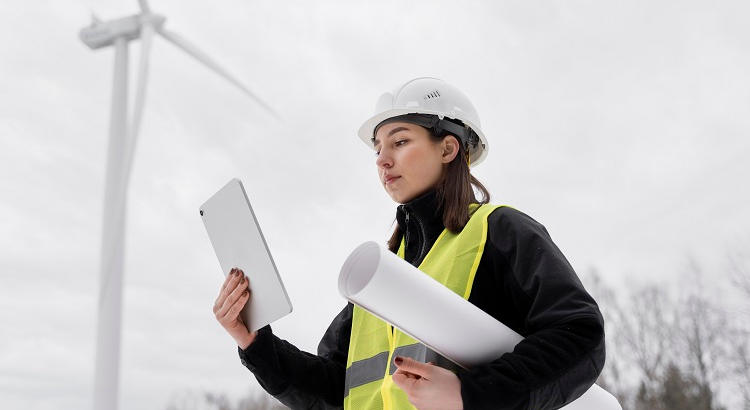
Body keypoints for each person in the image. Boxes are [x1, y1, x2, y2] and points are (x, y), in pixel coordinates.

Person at [212, 77, 605, 409]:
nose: (382, 159)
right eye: (378, 148)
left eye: (399, 142)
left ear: (449, 148)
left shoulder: (500, 232)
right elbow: (336, 391)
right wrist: (255, 343)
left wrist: (471, 394)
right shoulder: (381, 274)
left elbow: (579, 338)